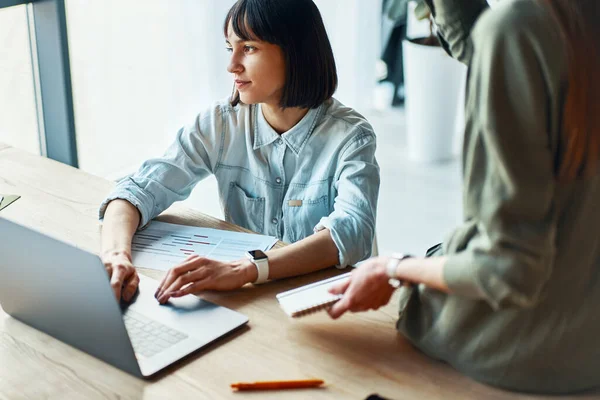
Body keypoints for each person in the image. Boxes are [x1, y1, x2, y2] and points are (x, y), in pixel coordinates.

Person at [327, 0, 600, 394]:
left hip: (525, 353)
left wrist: (394, 266)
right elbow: (488, 49)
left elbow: (507, 269)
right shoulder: (567, 24)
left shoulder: (519, 30)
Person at [99, 0, 379, 305]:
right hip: (252, 299)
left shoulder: (351, 136)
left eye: (249, 48)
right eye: (229, 47)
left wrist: (249, 268)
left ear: (296, 52)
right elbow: (137, 191)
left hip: (323, 301)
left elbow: (353, 231)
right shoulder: (220, 123)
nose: (232, 65)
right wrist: (116, 256)